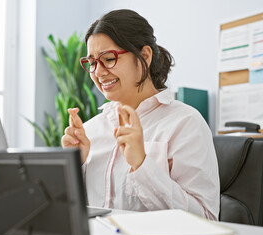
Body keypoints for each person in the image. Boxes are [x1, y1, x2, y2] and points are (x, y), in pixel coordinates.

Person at [61, 9, 220, 220]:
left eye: (108, 59)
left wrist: (142, 164)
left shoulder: (185, 123)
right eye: (91, 63)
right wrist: (74, 165)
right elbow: (69, 215)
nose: (98, 72)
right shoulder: (89, 131)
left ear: (144, 56)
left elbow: (206, 220)